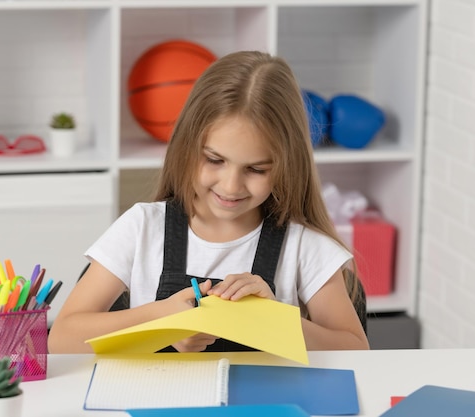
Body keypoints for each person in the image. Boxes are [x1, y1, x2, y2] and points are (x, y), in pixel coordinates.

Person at [48, 50, 369, 353]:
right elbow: (61, 340)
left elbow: (356, 350)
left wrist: (274, 319)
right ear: (187, 146)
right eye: (215, 160)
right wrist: (159, 321)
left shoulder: (303, 246)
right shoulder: (142, 228)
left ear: (287, 166)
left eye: (256, 169)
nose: (231, 186)